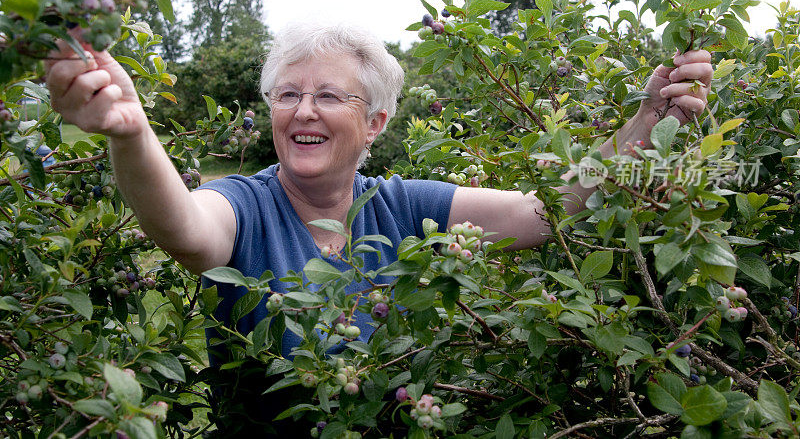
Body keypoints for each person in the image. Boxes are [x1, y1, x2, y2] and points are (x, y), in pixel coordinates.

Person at [45, 22, 712, 433]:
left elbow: (543, 209)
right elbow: (184, 227)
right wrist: (130, 135)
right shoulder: (243, 205)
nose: (303, 110)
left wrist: (646, 121)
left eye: (329, 95)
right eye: (287, 93)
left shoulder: (400, 205)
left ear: (377, 123)